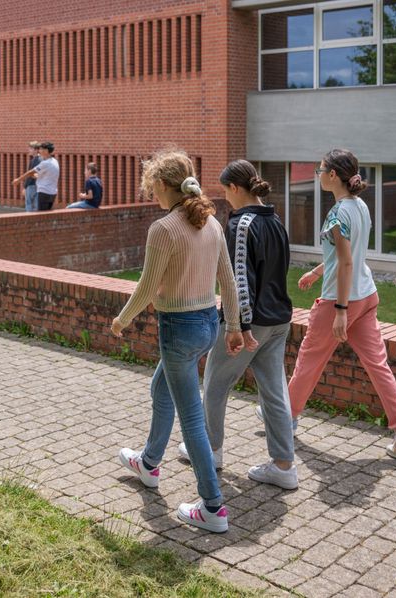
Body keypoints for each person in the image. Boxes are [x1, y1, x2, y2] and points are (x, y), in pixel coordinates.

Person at [112, 149, 244, 534]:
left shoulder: (164, 228)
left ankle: (213, 506)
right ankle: (149, 462)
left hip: (178, 329)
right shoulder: (213, 225)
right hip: (207, 325)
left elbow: (147, 286)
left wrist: (123, 319)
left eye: (152, 184)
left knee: (191, 418)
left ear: (162, 185)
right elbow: (229, 281)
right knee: (161, 386)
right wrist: (232, 325)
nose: (150, 191)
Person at [286, 148, 396, 459]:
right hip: (367, 296)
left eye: (320, 170)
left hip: (343, 299)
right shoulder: (360, 206)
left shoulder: (337, 214)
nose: (318, 175)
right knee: (378, 366)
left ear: (333, 175)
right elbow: (345, 256)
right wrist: (315, 271)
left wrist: (340, 311)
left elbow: (347, 262)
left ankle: (286, 420)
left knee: (309, 360)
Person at [176, 160, 298, 489]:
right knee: (274, 392)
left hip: (251, 323)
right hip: (279, 319)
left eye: (225, 192)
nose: (225, 200)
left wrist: (237, 326)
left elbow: (239, 279)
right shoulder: (275, 219)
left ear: (234, 188)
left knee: (215, 384)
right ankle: (284, 465)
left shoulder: (241, 224)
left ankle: (211, 451)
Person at [12, 141, 58, 211]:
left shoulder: (44, 163)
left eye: (41, 149)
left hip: (44, 192)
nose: (40, 151)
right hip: (52, 192)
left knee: (38, 212)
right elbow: (44, 175)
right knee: (46, 213)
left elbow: (30, 172)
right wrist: (37, 176)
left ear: (46, 151)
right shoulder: (54, 161)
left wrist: (18, 180)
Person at [22, 141, 41, 212]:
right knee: (36, 205)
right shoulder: (41, 159)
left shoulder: (34, 160)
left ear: (36, 150)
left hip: (31, 185)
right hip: (38, 185)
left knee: (29, 204)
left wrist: (25, 187)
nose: (29, 150)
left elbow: (30, 174)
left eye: (31, 148)